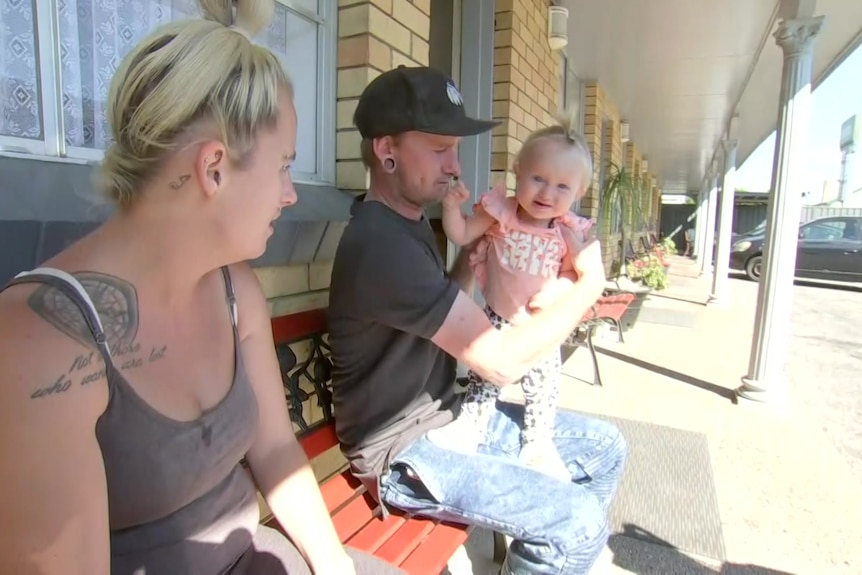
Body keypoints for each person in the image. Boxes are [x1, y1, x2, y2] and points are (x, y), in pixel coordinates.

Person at [0, 1, 405, 573]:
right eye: (284, 165)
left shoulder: (236, 291)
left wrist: (332, 565)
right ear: (214, 168)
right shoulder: (42, 342)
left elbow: (273, 451)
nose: (291, 194)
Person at [328, 65, 628, 575]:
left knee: (605, 449)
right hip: (404, 455)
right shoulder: (381, 245)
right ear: (387, 151)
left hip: (449, 418)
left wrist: (491, 248)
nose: (455, 162)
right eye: (440, 147)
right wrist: (589, 286)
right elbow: (502, 364)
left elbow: (449, 300)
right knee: (576, 523)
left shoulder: (409, 225)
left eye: (456, 147)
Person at [431, 115, 596, 480]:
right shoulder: (501, 213)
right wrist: (449, 208)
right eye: (538, 179)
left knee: (544, 386)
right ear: (518, 172)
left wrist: (561, 290)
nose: (547, 194)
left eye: (562, 187)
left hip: (539, 327)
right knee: (483, 379)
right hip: (497, 316)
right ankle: (471, 427)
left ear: (577, 194)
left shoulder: (567, 233)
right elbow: (460, 234)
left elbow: (576, 273)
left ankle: (537, 443)